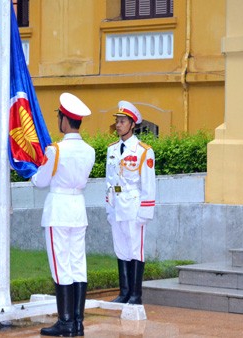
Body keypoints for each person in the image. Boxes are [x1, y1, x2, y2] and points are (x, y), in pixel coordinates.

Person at [31, 93, 95, 337]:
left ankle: (65, 321)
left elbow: (41, 181)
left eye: (59, 117)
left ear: (65, 121)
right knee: (78, 264)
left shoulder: (55, 150)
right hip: (78, 208)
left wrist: (32, 174)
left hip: (58, 209)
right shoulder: (89, 151)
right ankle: (77, 321)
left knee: (61, 266)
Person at [105, 101, 156, 304]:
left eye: (122, 121)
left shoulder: (143, 151)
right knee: (121, 249)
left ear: (132, 124)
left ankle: (136, 294)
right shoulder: (112, 149)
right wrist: (109, 206)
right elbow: (109, 181)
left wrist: (145, 212)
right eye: (117, 121)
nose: (118, 125)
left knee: (135, 250)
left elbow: (149, 184)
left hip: (135, 206)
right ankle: (124, 292)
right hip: (117, 204)